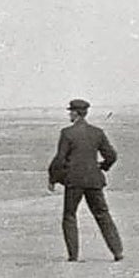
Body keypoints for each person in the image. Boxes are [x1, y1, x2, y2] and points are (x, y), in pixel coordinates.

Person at [47, 98, 123, 261]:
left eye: (70, 112)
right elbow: (111, 155)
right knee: (103, 214)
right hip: (94, 180)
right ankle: (117, 252)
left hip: (74, 181)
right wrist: (102, 167)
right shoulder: (97, 132)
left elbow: (60, 159)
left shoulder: (67, 133)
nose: (69, 114)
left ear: (75, 113)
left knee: (70, 216)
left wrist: (53, 178)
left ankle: (73, 256)